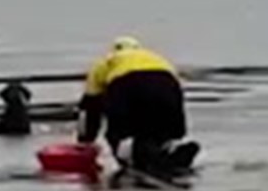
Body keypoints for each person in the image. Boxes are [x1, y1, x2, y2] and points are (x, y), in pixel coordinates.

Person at [76, 36, 200, 178]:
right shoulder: (155, 58)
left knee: (119, 134)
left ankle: (138, 160)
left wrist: (85, 141)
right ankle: (170, 151)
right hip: (167, 84)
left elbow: (90, 108)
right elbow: (175, 92)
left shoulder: (105, 62)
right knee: (162, 130)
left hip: (127, 84)